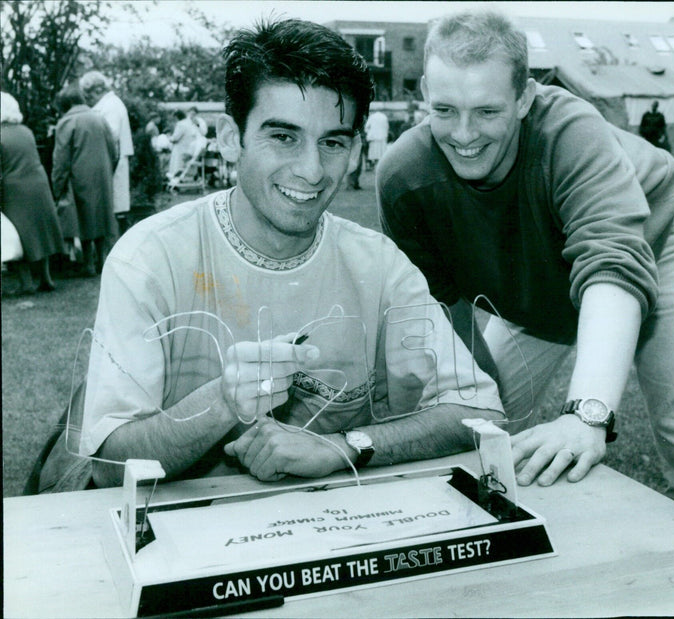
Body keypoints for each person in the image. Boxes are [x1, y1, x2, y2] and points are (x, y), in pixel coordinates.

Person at [79, 18, 503, 488]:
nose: (311, 170)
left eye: (332, 142)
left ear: (357, 149)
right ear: (228, 137)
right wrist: (222, 402)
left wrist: (344, 446)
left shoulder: (380, 266)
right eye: (283, 137)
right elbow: (108, 463)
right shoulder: (148, 259)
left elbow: (481, 411)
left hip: (334, 538)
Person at [377, 11, 674, 521]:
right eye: (445, 109)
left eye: (487, 111)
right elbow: (444, 318)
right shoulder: (403, 175)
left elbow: (612, 263)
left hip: (653, 251)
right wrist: (468, 402)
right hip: (543, 293)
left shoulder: (569, 131)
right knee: (476, 429)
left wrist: (586, 414)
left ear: (526, 97)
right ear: (424, 92)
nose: (463, 134)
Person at [51, 85, 118, 277]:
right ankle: (103, 260)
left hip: (79, 175)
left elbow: (61, 159)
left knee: (84, 218)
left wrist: (57, 185)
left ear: (65, 104)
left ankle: (88, 263)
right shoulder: (100, 118)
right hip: (103, 174)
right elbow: (114, 150)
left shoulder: (67, 122)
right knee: (101, 215)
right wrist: (108, 171)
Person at [0, 92, 62, 294]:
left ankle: (26, 283)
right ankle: (46, 278)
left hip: (14, 188)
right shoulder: (25, 131)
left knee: (17, 234)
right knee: (39, 231)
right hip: (38, 183)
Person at [79, 70, 134, 237]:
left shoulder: (111, 106)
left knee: (114, 211)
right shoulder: (108, 104)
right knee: (114, 209)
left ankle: (115, 249)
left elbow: (109, 137)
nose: (88, 101)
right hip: (111, 164)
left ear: (97, 90)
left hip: (112, 165)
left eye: (89, 97)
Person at [166, 109, 204, 182]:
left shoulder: (180, 124)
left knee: (176, 166)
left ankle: (175, 182)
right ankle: (183, 181)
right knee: (184, 167)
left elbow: (176, 138)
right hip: (188, 148)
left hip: (179, 148)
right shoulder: (189, 123)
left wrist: (169, 138)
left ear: (177, 117)